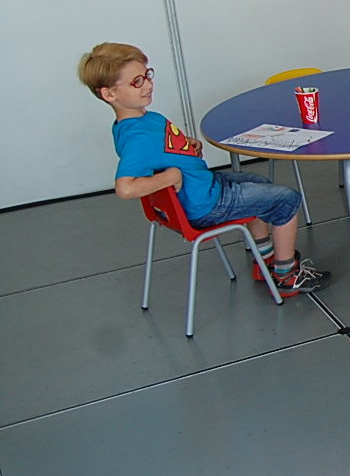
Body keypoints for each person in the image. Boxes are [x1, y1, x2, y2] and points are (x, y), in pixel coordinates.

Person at [79, 43, 331, 296]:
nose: (148, 85)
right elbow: (125, 188)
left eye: (147, 75)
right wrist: (172, 175)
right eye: (136, 82)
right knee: (286, 199)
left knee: (259, 183)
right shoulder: (138, 137)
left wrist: (185, 146)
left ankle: (264, 261)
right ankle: (286, 275)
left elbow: (160, 151)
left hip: (203, 186)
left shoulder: (141, 121)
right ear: (109, 95)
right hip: (205, 203)